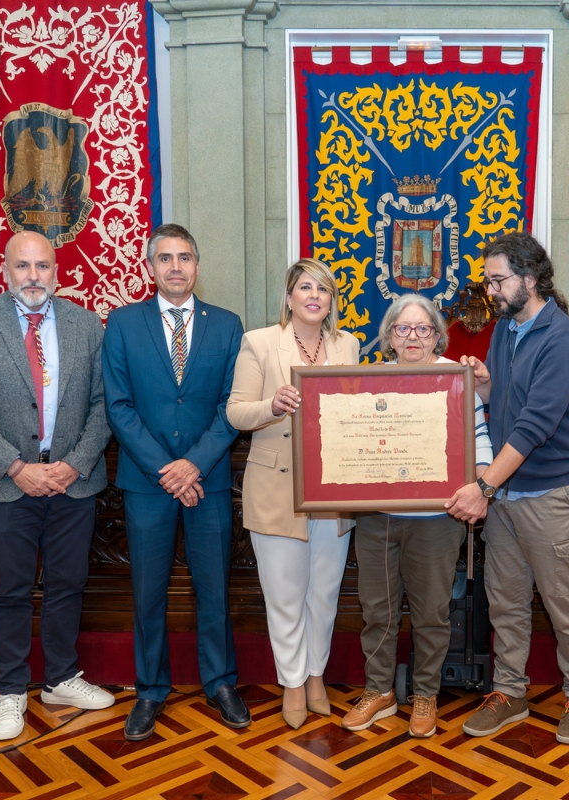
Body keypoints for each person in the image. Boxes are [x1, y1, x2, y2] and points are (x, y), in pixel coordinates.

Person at [0, 231, 114, 741]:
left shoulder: (87, 325)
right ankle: (11, 690)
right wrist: (17, 467)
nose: (33, 276)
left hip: (71, 483)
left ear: (56, 271)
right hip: (4, 483)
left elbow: (105, 405)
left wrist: (73, 465)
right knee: (10, 590)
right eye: (23, 266)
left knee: (68, 583)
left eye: (42, 266)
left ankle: (61, 677)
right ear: (6, 271)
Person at [446, 231, 569, 746]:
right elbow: (505, 404)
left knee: (562, 602)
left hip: (550, 493)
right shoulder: (505, 331)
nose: (490, 291)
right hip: (508, 494)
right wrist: (484, 382)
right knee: (505, 601)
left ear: (530, 279)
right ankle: (509, 692)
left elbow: (535, 425)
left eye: (498, 280)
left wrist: (482, 488)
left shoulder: (563, 337)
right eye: (488, 280)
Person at [102, 224, 248, 740]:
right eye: (165, 258)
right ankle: (149, 690)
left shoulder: (227, 326)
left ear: (197, 265)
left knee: (215, 588)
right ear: (150, 267)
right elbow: (118, 408)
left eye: (185, 257)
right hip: (147, 483)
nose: (176, 267)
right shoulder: (121, 324)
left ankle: (221, 682)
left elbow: (232, 406)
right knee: (148, 593)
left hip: (206, 482)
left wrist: (195, 465)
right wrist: (168, 469)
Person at [341, 294, 494, 738]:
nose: (412, 336)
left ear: (437, 335)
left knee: (431, 612)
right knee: (378, 611)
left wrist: (482, 486)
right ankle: (379, 692)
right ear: (389, 336)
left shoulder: (458, 379)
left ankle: (425, 694)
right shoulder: (366, 383)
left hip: (436, 518)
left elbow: (480, 442)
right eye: (402, 329)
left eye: (422, 328)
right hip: (376, 518)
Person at [227, 258, 360, 730]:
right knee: (285, 594)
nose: (313, 296)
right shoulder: (259, 343)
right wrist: (272, 404)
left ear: (331, 301)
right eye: (305, 287)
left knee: (324, 593)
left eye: (322, 289)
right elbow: (236, 413)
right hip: (277, 487)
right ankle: (291, 682)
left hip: (333, 488)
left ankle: (317, 675)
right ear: (288, 297)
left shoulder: (349, 344)